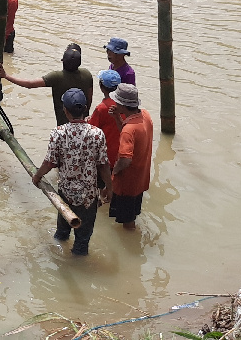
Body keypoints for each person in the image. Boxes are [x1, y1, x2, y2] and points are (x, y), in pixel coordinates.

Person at [33, 88, 111, 256]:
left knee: (61, 232)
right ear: (85, 109)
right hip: (88, 197)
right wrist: (109, 188)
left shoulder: (58, 133)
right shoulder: (97, 134)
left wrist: (38, 176)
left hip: (65, 194)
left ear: (65, 110)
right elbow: (103, 165)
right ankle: (78, 268)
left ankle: (57, 260)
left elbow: (49, 163)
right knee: (82, 240)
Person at [0, 44, 93, 126]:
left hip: (64, 125)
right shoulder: (87, 74)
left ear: (62, 61)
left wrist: (5, 75)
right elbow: (89, 100)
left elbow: (29, 84)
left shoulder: (56, 77)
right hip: (84, 123)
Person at [108, 84, 153, 230]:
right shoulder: (145, 116)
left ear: (121, 104)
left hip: (127, 184)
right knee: (132, 215)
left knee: (127, 223)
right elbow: (131, 137)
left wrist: (113, 173)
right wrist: (117, 118)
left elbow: (125, 159)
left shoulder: (129, 130)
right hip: (140, 178)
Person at [87, 70, 123, 174]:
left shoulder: (101, 108)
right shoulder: (124, 104)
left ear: (101, 86)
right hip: (121, 152)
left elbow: (90, 131)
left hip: (106, 155)